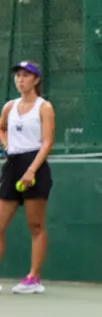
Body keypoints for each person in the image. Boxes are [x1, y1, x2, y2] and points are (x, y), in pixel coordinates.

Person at [0, 61, 55, 294]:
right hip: (12, 165)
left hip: (36, 165)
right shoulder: (9, 106)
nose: (20, 80)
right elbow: (2, 128)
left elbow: (47, 142)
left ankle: (33, 279)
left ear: (36, 80)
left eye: (25, 76)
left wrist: (31, 170)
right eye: (17, 76)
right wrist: (7, 145)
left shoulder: (44, 107)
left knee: (35, 225)